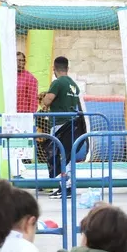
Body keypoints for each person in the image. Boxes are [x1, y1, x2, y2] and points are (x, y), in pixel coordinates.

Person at [42, 56, 86, 198]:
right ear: (67, 68)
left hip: (60, 124)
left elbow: (48, 101)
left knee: (62, 156)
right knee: (68, 156)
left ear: (54, 69)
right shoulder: (74, 84)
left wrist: (44, 99)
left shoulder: (58, 83)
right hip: (73, 124)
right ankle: (65, 186)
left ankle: (66, 187)